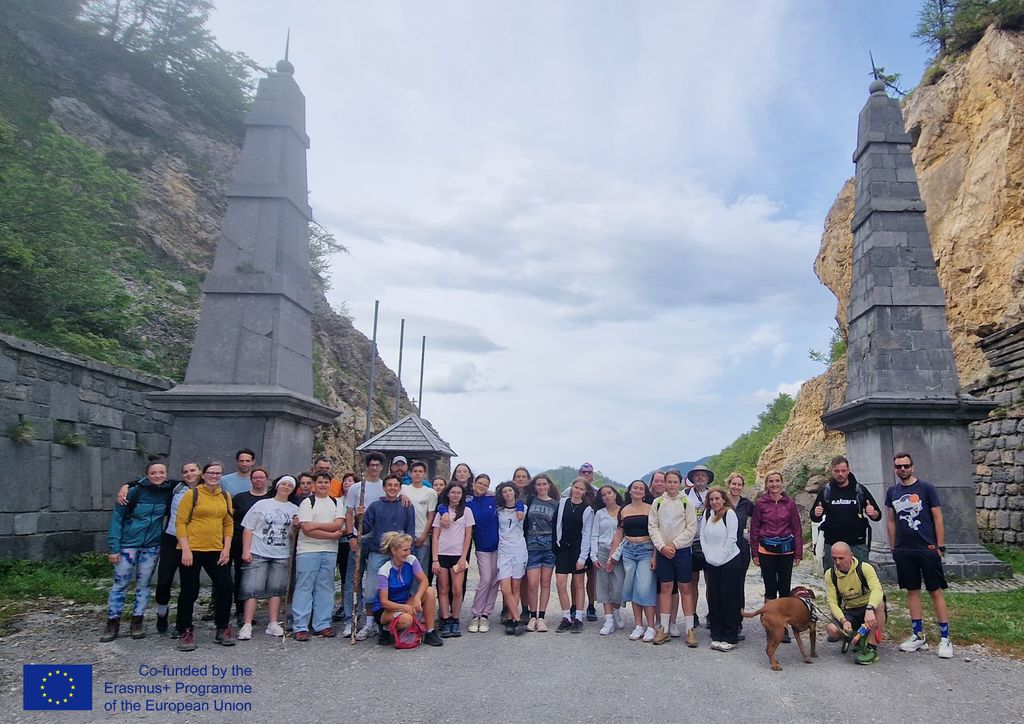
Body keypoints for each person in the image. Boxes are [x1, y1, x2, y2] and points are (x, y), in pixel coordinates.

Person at [885, 452, 954, 659]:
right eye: (899, 466)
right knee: (912, 591)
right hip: (904, 550)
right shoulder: (892, 492)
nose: (902, 469)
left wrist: (939, 546)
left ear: (912, 467)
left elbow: (938, 517)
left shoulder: (926, 488)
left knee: (935, 591)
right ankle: (918, 635)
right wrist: (893, 547)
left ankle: (945, 637)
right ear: (895, 469)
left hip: (927, 548)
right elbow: (891, 520)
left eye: (906, 466)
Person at [102, 458, 174, 642]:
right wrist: (114, 548)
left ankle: (137, 621)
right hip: (128, 545)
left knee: (144, 585)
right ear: (147, 475)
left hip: (151, 546)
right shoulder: (133, 492)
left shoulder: (167, 492)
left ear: (166, 474)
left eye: (161, 472)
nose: (157, 476)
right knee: (120, 584)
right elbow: (117, 519)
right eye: (153, 473)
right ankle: (112, 623)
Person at [175, 462, 234, 651]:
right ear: (203, 474)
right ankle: (185, 630)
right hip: (192, 549)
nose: (214, 476)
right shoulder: (192, 494)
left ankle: (222, 627)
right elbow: (180, 522)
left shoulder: (225, 496)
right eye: (211, 473)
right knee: (190, 590)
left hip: (216, 549)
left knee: (225, 587)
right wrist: (185, 549)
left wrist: (227, 548)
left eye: (218, 473)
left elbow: (228, 523)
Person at [238, 475, 298, 640]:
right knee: (252, 589)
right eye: (283, 484)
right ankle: (247, 624)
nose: (286, 487)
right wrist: (246, 550)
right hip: (258, 551)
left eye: (290, 485)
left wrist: (295, 527)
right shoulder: (261, 504)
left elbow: (292, 535)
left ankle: (273, 623)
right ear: (277, 486)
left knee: (276, 590)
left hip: (281, 553)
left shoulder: (294, 509)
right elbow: (248, 528)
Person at [292, 470, 346, 641]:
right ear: (314, 485)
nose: (323, 485)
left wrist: (315, 525)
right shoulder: (307, 502)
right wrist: (332, 535)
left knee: (326, 587)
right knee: (304, 587)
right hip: (308, 550)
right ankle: (300, 625)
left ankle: (322, 623)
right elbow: (306, 530)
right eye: (320, 482)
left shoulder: (336, 502)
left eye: (326, 482)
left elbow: (338, 524)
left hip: (330, 551)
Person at [750, 470, 803, 643]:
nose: (774, 484)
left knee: (785, 588)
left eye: (777, 481)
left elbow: (796, 528)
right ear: (766, 484)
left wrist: (798, 552)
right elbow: (755, 529)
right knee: (770, 588)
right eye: (771, 481)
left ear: (782, 483)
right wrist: (754, 552)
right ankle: (772, 625)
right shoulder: (760, 504)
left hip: (786, 550)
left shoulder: (790, 503)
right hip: (766, 550)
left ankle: (784, 626)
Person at [362, 475, 415, 644]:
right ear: (384, 487)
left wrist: (407, 551)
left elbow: (410, 530)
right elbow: (365, 528)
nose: (392, 488)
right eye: (389, 485)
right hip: (378, 552)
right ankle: (370, 623)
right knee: (371, 590)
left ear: (400, 488)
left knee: (396, 589)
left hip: (398, 554)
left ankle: (388, 626)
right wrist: (359, 517)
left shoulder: (406, 506)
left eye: (395, 485)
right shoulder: (375, 506)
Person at [649, 469, 698, 646]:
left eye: (674, 482)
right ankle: (664, 628)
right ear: (664, 483)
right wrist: (662, 547)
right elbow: (653, 527)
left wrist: (674, 545)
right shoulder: (658, 502)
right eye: (668, 481)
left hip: (682, 551)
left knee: (685, 588)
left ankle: (690, 629)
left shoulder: (686, 502)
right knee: (666, 588)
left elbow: (691, 528)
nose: (671, 485)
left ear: (680, 483)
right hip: (663, 552)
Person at [153, 461, 201, 637]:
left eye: (192, 470)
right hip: (171, 539)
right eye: (185, 471)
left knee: (189, 585)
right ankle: (162, 612)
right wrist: (126, 486)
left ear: (200, 472)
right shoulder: (176, 487)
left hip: (194, 542)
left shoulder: (206, 489)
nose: (189, 474)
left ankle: (182, 622)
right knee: (164, 581)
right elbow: (151, 480)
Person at [810, 455, 882, 570]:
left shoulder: (859, 490)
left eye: (843, 471)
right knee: (832, 576)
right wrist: (817, 513)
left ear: (848, 471)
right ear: (832, 471)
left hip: (856, 544)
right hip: (832, 544)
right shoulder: (826, 491)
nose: (840, 474)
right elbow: (814, 516)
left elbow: (877, 515)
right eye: (837, 471)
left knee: (860, 575)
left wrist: (873, 513)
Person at [373, 532, 443, 647]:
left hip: (404, 602)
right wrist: (405, 608)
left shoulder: (411, 560)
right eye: (405, 550)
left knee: (429, 591)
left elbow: (424, 581)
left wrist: (417, 598)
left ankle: (430, 632)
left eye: (409, 549)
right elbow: (384, 602)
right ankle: (386, 628)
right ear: (394, 551)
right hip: (385, 609)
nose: (408, 553)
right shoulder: (384, 570)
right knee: (407, 619)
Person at [824, 542, 886, 665]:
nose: (837, 562)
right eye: (834, 558)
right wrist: (843, 621)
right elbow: (832, 602)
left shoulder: (865, 568)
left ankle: (871, 648)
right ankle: (857, 636)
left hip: (868, 608)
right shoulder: (830, 574)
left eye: (841, 558)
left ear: (851, 556)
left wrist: (870, 608)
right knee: (832, 630)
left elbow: (877, 590)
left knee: (880, 604)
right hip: (850, 610)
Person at [345, 452, 385, 640]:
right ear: (367, 466)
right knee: (354, 579)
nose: (374, 468)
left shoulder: (385, 487)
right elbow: (349, 513)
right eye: (371, 465)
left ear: (382, 467)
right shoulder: (356, 488)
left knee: (374, 580)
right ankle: (350, 619)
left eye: (377, 465)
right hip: (359, 536)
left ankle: (373, 620)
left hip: (377, 539)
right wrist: (351, 535)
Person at [611, 480, 657, 641]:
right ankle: (638, 625)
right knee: (631, 587)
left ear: (645, 492)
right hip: (629, 551)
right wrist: (611, 556)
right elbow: (619, 534)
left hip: (647, 550)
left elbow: (656, 533)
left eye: (641, 488)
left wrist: (655, 556)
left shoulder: (651, 508)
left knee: (644, 588)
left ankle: (650, 627)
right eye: (635, 488)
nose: (638, 490)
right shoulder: (624, 510)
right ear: (629, 491)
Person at [229, 466, 273, 627]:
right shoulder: (240, 498)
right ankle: (241, 611)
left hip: (264, 543)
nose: (258, 480)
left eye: (261, 477)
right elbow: (230, 518)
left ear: (266, 480)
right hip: (240, 541)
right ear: (251, 480)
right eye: (255, 477)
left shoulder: (271, 498)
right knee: (242, 577)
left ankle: (267, 613)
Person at [702, 488, 744, 651]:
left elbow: (732, 538)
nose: (714, 502)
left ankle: (730, 636)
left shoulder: (729, 514)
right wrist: (708, 555)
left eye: (717, 499)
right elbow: (703, 536)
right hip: (712, 562)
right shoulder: (707, 514)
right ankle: (717, 634)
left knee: (729, 599)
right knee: (715, 598)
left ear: (723, 499)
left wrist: (721, 558)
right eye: (711, 499)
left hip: (729, 562)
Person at [432, 482, 475, 637]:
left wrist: (463, 557)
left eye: (458, 493)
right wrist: (435, 559)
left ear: (462, 495)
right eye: (453, 492)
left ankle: (455, 619)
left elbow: (468, 536)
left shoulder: (467, 512)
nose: (455, 495)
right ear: (448, 494)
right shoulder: (441, 512)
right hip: (442, 554)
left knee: (457, 589)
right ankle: (445, 619)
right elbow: (435, 536)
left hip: (458, 555)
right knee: (443, 588)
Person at [553, 477, 594, 633]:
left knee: (578, 584)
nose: (578, 491)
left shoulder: (587, 510)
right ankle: (566, 617)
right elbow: (556, 525)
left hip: (578, 549)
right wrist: (556, 544)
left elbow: (587, 534)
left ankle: (578, 617)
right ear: (572, 488)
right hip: (563, 548)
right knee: (560, 583)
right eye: (576, 487)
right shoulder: (563, 503)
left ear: (585, 492)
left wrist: (583, 557)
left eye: (581, 489)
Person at [523, 474, 559, 632]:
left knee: (545, 583)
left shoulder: (555, 504)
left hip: (549, 547)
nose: (541, 487)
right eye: (538, 484)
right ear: (534, 486)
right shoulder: (530, 501)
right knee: (532, 583)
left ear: (549, 485)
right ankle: (532, 616)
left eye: (544, 484)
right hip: (532, 546)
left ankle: (542, 617)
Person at [465, 474, 500, 633]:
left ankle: (485, 614)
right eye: (480, 483)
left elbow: (514, 501)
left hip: (498, 546)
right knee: (485, 579)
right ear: (474, 483)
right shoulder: (468, 501)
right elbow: (448, 504)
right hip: (482, 546)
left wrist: (520, 508)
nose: (482, 486)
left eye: (485, 485)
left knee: (495, 580)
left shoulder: (493, 500)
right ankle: (476, 614)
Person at [590, 485, 625, 635]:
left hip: (619, 553)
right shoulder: (599, 513)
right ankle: (609, 619)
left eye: (609, 493)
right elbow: (594, 535)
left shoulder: (623, 511)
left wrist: (616, 554)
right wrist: (593, 555)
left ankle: (616, 610)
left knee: (619, 585)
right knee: (603, 585)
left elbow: (625, 534)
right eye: (603, 495)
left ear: (615, 494)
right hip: (602, 551)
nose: (607, 496)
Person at [648, 469, 680, 635]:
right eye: (657, 480)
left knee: (672, 587)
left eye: (663, 480)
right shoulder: (649, 500)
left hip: (669, 548)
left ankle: (672, 622)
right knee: (655, 587)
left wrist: (666, 547)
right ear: (652, 482)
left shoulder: (678, 500)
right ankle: (658, 620)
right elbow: (653, 527)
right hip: (651, 548)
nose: (660, 483)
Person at [495, 482, 528, 635]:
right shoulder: (498, 511)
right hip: (503, 551)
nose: (507, 493)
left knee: (516, 587)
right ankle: (518, 619)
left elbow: (520, 504)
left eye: (510, 490)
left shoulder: (523, 508)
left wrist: (519, 506)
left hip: (519, 550)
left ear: (515, 492)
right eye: (504, 491)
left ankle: (510, 619)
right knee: (505, 588)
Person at [725, 471, 754, 641]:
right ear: (729, 484)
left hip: (742, 549)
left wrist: (752, 536)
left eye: (739, 484)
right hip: (724, 549)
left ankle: (737, 621)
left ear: (743, 487)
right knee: (723, 585)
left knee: (738, 585)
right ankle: (720, 618)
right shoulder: (721, 501)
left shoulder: (747, 504)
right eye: (733, 484)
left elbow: (758, 521)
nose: (736, 487)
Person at [685, 464, 713, 630]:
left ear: (708, 478)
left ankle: (712, 613)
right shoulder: (685, 495)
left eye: (703, 475)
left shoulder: (713, 494)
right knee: (692, 582)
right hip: (691, 543)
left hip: (710, 544)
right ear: (692, 478)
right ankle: (692, 614)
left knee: (711, 581)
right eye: (697, 475)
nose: (700, 477)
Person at [403, 462, 437, 581]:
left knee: (421, 571)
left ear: (424, 474)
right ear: (410, 473)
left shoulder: (430, 493)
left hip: (422, 535)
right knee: (405, 570)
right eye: (415, 471)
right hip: (405, 536)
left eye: (420, 471)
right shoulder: (403, 489)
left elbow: (431, 516)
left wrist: (424, 536)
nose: (417, 474)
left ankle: (421, 593)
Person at [331, 472, 358, 623]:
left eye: (350, 481)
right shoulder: (337, 501)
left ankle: (344, 604)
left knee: (346, 574)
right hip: (333, 540)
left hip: (348, 541)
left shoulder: (358, 499)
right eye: (345, 481)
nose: (347, 483)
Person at [577, 463, 600, 621]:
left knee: (592, 575)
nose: (586, 474)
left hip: (593, 536)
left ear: (593, 475)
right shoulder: (569, 491)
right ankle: (574, 606)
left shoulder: (597, 492)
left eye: (589, 472)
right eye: (583, 472)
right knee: (576, 575)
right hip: (576, 537)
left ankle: (591, 605)